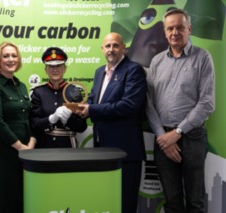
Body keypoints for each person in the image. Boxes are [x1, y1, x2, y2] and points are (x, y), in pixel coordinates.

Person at [146, 9, 215, 213]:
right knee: (172, 203)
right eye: (170, 28)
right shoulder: (157, 61)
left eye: (180, 27)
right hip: (163, 139)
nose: (175, 32)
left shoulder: (203, 58)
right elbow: (149, 103)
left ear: (189, 29)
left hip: (192, 137)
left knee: (195, 202)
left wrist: (177, 133)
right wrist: (162, 137)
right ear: (165, 32)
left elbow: (207, 103)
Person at [78, 32, 147, 213]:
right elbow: (95, 99)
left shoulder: (134, 70)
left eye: (115, 45)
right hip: (102, 148)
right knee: (107, 202)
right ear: (102, 49)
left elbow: (129, 105)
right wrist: (83, 109)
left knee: (125, 204)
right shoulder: (99, 72)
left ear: (124, 47)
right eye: (107, 46)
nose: (111, 49)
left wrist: (92, 110)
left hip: (126, 151)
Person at [0, 41, 36, 213]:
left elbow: (29, 117)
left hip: (26, 154)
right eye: (6, 56)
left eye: (14, 55)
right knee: (3, 202)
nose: (11, 59)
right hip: (3, 155)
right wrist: (20, 147)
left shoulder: (22, 86)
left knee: (21, 200)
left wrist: (32, 143)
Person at [30, 47, 87, 148]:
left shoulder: (75, 92)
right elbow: (34, 124)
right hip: (44, 146)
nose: (55, 69)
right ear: (46, 70)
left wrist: (68, 120)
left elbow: (82, 126)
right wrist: (51, 119)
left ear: (65, 69)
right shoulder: (38, 92)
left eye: (59, 65)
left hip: (67, 146)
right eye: (50, 66)